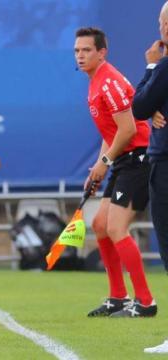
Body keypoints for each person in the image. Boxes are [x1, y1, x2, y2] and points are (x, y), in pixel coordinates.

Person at [74, 27, 156, 318]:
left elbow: (129, 129)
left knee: (115, 228)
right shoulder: (95, 81)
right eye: (77, 51)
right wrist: (98, 167)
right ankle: (118, 297)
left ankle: (146, 302)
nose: (81, 56)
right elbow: (111, 133)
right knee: (99, 225)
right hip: (122, 159)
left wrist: (104, 162)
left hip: (138, 158)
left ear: (101, 53)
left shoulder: (108, 81)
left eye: (87, 50)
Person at [132, 1, 168, 354]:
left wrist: (151, 66)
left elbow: (139, 105)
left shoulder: (165, 65)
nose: (160, 28)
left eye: (162, 22)